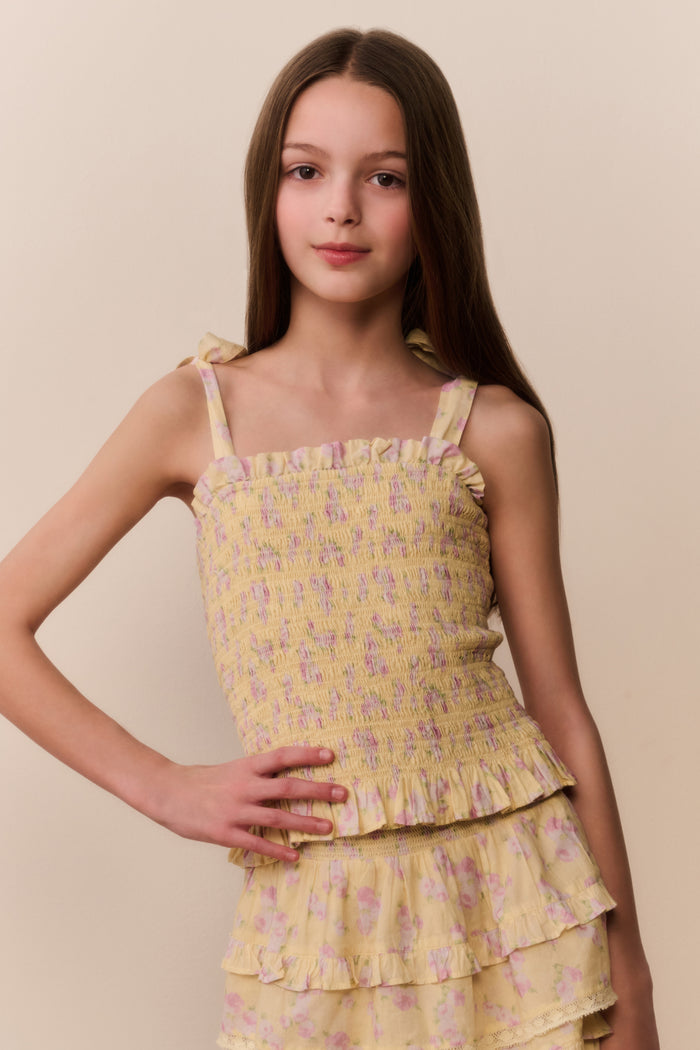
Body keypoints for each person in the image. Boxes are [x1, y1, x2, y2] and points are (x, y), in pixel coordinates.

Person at [0, 26, 660, 1050]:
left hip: (522, 905)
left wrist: (632, 969)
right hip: (319, 923)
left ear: (433, 201)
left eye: (384, 177)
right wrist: (164, 787)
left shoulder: (493, 430)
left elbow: (560, 708)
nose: (340, 207)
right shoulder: (193, 414)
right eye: (305, 171)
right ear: (268, 193)